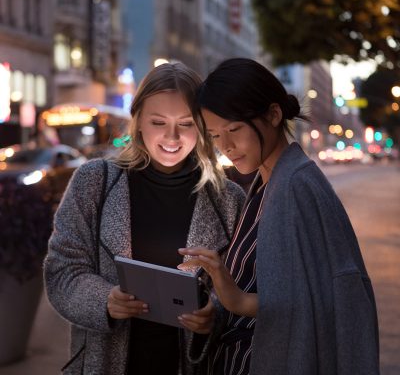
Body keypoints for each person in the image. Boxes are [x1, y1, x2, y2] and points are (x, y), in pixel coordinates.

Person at [178, 58, 380, 375]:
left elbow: (319, 301)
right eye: (215, 136)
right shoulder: (268, 181)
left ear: (273, 115)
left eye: (234, 129)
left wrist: (237, 301)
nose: (226, 146)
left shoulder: (295, 185)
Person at [44, 62, 245, 375]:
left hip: (194, 364)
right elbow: (62, 271)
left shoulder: (228, 199)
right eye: (157, 122)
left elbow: (246, 288)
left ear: (204, 126)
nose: (172, 136)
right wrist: (104, 300)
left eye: (187, 123)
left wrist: (214, 314)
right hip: (107, 361)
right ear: (137, 122)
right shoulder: (95, 182)